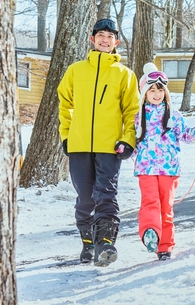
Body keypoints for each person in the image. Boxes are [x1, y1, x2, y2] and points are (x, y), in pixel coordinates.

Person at [57, 18, 139, 266]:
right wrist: (67, 136)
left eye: (110, 36)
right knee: (85, 197)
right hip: (80, 145)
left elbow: (132, 111)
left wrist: (128, 140)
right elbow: (65, 107)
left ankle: (105, 243)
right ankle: (88, 243)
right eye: (101, 35)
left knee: (106, 194)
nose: (105, 39)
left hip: (110, 146)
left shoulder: (124, 74)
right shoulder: (75, 71)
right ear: (92, 40)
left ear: (117, 42)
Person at [132, 63, 195, 261]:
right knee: (150, 202)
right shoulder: (138, 117)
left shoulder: (173, 115)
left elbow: (186, 134)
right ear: (144, 93)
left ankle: (165, 246)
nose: (156, 94)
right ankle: (150, 232)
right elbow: (132, 142)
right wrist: (122, 148)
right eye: (152, 90)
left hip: (168, 169)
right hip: (146, 168)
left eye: (160, 90)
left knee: (166, 208)